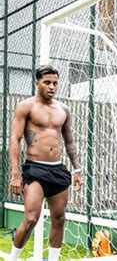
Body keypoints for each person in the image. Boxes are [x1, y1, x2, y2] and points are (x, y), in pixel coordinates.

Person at [9, 64, 83, 261]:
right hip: (35, 168)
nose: (52, 87)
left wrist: (77, 169)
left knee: (59, 219)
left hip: (57, 169)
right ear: (37, 83)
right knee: (31, 218)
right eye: (47, 82)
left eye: (55, 83)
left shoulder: (63, 109)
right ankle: (13, 258)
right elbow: (14, 139)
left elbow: (69, 141)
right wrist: (15, 173)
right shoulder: (26, 107)